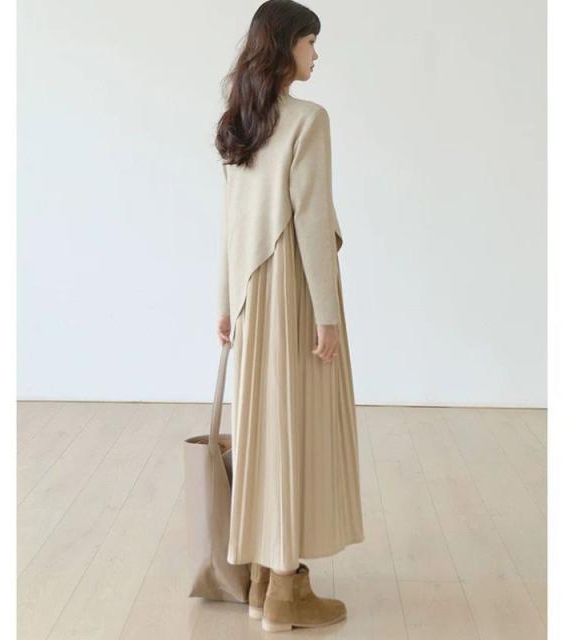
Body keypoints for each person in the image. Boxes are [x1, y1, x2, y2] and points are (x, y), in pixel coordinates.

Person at [214, 0, 364, 632]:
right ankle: (286, 591)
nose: (316, 54)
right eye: (309, 41)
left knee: (263, 429)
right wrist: (327, 316)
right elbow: (310, 221)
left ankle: (261, 581)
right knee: (298, 428)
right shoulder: (309, 119)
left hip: (251, 294)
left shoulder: (238, 124)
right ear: (284, 47)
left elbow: (230, 223)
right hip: (296, 291)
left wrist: (225, 304)